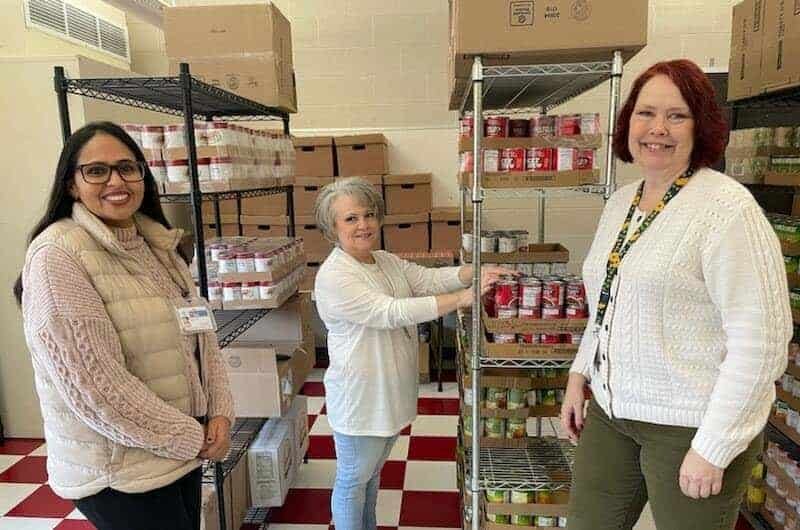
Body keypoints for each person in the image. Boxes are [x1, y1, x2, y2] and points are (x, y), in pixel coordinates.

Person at [559, 59, 792, 530]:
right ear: (629, 123)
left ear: (699, 126)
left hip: (689, 423)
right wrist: (579, 372)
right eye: (646, 114)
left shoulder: (726, 210)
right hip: (611, 413)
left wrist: (715, 446)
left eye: (676, 115)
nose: (657, 129)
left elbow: (762, 341)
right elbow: (608, 301)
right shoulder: (622, 201)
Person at [15, 121, 235, 530]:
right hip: (121, 473)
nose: (116, 180)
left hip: (175, 455)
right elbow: (97, 389)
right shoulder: (57, 257)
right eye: (97, 171)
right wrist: (190, 437)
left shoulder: (157, 244)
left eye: (127, 167)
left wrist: (219, 412)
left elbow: (201, 338)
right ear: (70, 185)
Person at [313, 177, 514, 530]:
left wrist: (475, 272)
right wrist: (462, 300)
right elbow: (390, 311)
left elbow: (427, 279)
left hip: (387, 392)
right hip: (361, 397)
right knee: (352, 480)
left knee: (370, 477)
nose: (364, 225)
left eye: (369, 214)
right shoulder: (335, 276)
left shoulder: (383, 261)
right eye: (351, 218)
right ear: (332, 227)